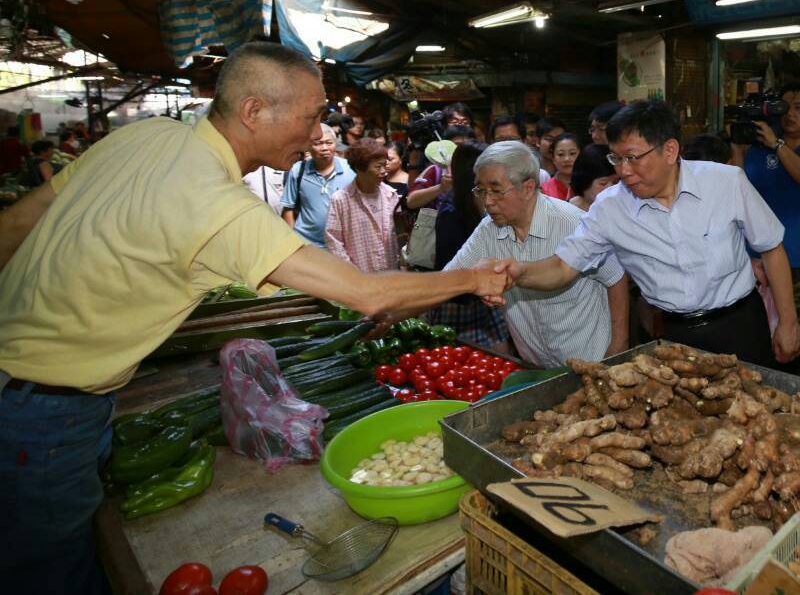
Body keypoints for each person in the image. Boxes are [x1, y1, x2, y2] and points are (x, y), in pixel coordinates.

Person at [0, 43, 506, 592]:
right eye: (311, 116)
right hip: (46, 412)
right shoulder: (215, 203)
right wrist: (475, 279)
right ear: (253, 112)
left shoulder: (144, 136)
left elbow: (14, 225)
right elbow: (363, 294)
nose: (319, 133)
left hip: (26, 389)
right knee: (51, 575)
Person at [494, 101, 800, 367]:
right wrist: (520, 273)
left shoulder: (726, 183)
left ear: (669, 150)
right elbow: (563, 266)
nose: (624, 171)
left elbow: (772, 248)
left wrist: (788, 322)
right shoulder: (610, 208)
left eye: (633, 157)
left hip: (741, 325)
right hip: (674, 337)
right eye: (616, 159)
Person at [447, 141, 629, 365]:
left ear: (527, 188)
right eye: (481, 191)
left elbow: (616, 278)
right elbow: (451, 277)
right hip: (537, 364)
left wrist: (618, 347)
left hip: (593, 358)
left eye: (496, 191)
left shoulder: (571, 223)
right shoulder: (488, 230)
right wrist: (477, 282)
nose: (487, 201)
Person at [731, 81, 800, 381]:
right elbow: (739, 189)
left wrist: (778, 145)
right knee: (760, 344)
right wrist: (739, 150)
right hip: (758, 264)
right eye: (784, 106)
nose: (789, 113)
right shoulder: (757, 146)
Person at [430, 142, 512, 350]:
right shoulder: (452, 213)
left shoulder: (481, 204)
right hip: (460, 302)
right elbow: (448, 270)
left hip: (481, 298)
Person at [325, 138, 400, 273]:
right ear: (360, 168)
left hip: (392, 274)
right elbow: (334, 241)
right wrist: (352, 273)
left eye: (385, 165)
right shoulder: (341, 199)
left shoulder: (391, 195)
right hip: (360, 276)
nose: (384, 171)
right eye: (378, 167)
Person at [281, 123, 353, 246]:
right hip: (307, 242)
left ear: (335, 145)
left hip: (344, 243)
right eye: (318, 143)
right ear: (308, 147)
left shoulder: (351, 169)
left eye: (329, 143)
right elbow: (288, 208)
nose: (324, 148)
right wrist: (294, 241)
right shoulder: (298, 171)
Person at [569, 144, 619, 212]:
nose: (611, 188)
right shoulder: (566, 212)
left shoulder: (623, 209)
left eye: (616, 182)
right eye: (603, 183)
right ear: (584, 182)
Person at [541, 132, 581, 201]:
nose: (567, 159)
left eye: (572, 153)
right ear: (553, 158)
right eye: (561, 154)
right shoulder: (544, 190)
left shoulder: (589, 186)